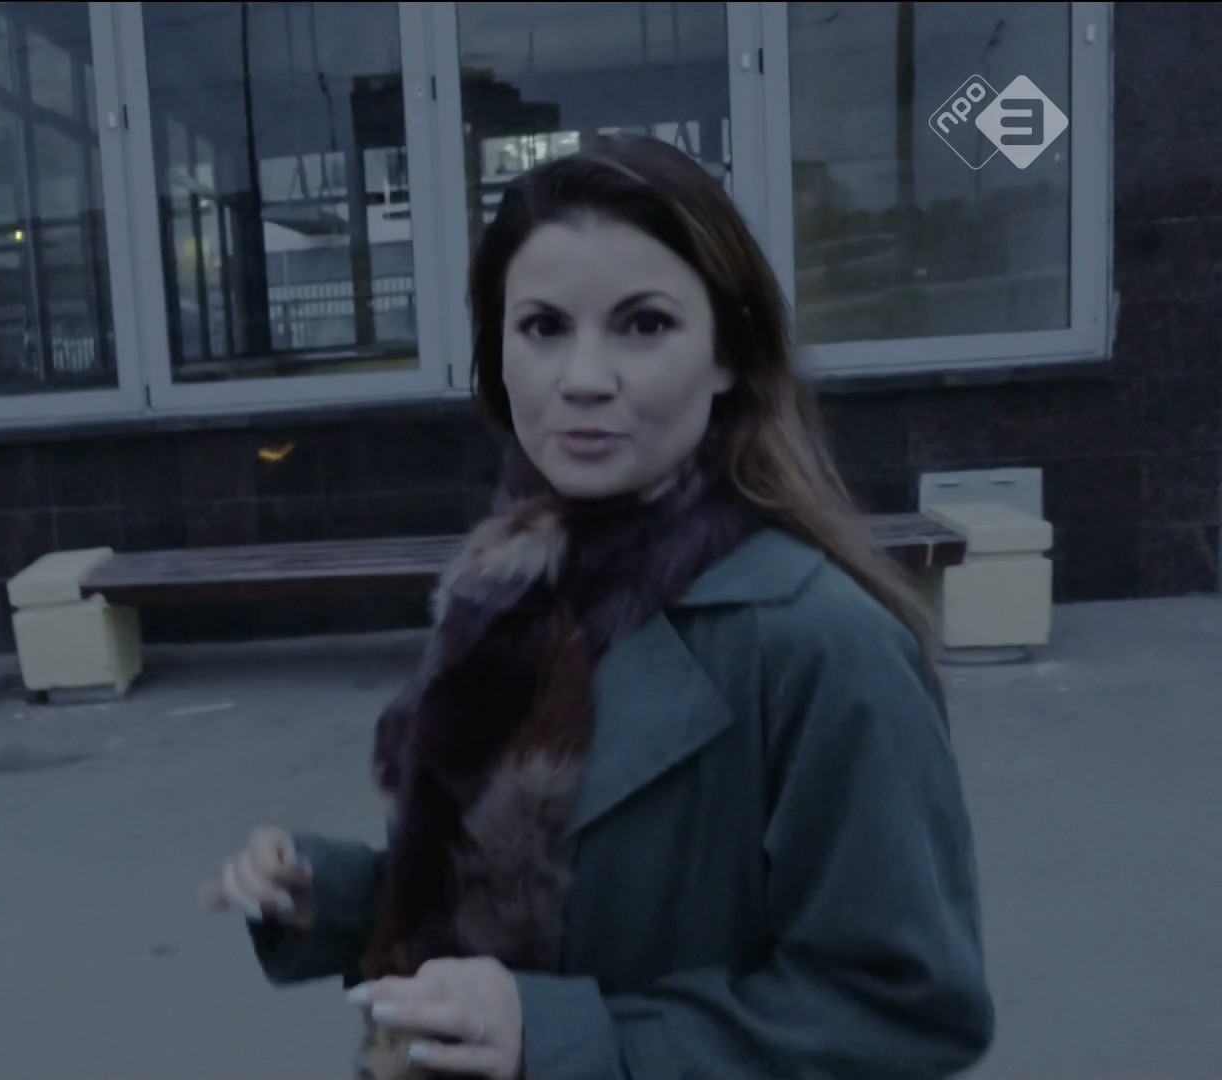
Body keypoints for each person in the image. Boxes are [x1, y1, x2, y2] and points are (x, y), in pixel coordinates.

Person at [200, 135, 994, 1080]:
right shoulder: (510, 591)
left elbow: (906, 1007)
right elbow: (502, 889)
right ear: (497, 355)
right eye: (542, 327)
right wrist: (326, 896)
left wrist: (559, 1040)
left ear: (728, 355)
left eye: (644, 324)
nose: (582, 378)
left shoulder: (824, 645)